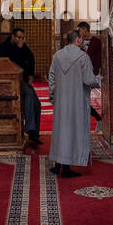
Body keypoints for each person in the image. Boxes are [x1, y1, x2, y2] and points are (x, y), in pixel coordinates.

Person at [47, 29, 100, 177]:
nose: (82, 41)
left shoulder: (57, 55)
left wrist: (53, 96)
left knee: (60, 131)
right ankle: (67, 169)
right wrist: (99, 81)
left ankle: (58, 165)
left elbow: (51, 78)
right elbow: (89, 80)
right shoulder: (83, 57)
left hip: (61, 100)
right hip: (76, 101)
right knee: (72, 132)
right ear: (78, 40)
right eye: (81, 38)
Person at [0, 27, 40, 147]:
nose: (22, 39)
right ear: (13, 37)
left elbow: (31, 58)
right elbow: (9, 63)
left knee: (37, 104)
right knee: (30, 95)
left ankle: (34, 135)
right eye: (19, 37)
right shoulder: (4, 47)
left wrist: (31, 75)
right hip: (12, 81)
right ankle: (30, 128)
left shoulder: (23, 46)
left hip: (23, 81)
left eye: (23, 37)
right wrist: (19, 49)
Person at [76, 21, 104, 121]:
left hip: (89, 74)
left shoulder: (97, 42)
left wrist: (93, 74)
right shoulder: (78, 41)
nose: (78, 32)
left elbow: (98, 59)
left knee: (83, 99)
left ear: (85, 29)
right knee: (81, 99)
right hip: (79, 74)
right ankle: (97, 119)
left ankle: (97, 119)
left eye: (79, 30)